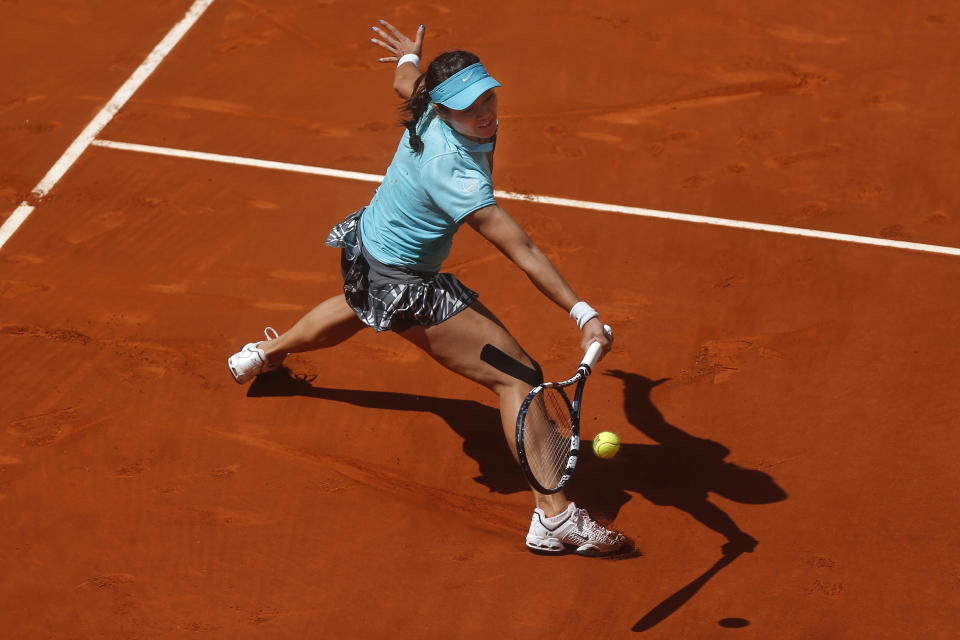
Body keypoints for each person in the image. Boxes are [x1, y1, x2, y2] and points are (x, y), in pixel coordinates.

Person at [227, 20, 625, 556]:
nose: (483, 113)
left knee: (355, 305)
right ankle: (553, 520)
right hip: (405, 280)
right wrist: (583, 313)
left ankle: (262, 354)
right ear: (443, 108)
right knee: (520, 378)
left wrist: (407, 58)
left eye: (486, 98)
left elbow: (405, 83)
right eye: (468, 107)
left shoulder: (427, 102)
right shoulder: (454, 173)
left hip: (371, 247)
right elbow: (522, 249)